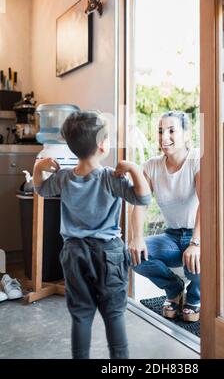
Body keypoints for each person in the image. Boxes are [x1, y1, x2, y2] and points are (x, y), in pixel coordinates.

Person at [33, 111, 151, 359]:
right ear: (102, 145)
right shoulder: (111, 178)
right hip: (109, 254)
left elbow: (41, 189)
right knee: (114, 314)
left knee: (82, 315)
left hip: (74, 254)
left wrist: (38, 167)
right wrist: (134, 169)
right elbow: (143, 197)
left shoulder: (64, 178)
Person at [130, 110, 200, 322]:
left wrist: (197, 243)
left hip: (197, 235)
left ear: (186, 134)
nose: (164, 137)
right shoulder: (152, 166)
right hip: (171, 237)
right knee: (133, 255)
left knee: (198, 258)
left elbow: (205, 205)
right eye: (160, 131)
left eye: (171, 131)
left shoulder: (197, 159)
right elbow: (140, 204)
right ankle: (174, 289)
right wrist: (137, 238)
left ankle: (195, 296)